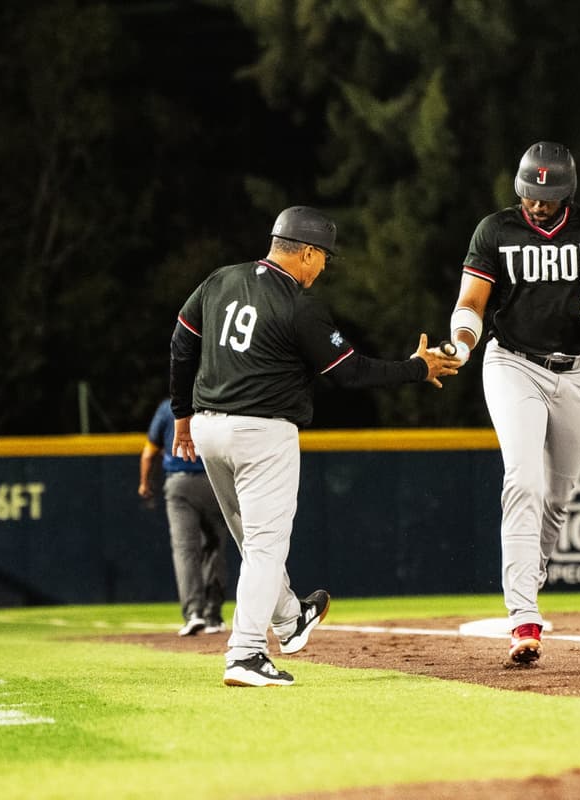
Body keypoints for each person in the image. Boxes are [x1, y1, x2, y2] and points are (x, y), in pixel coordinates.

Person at [170, 205, 461, 687]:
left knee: (250, 540)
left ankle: (290, 618)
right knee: (265, 547)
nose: (324, 266)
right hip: (262, 434)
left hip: (207, 428)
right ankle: (244, 654)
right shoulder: (297, 306)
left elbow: (182, 344)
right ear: (305, 252)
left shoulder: (221, 280)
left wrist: (182, 415)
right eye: (323, 256)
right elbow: (349, 372)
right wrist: (417, 367)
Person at [443, 141, 580, 665]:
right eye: (531, 193)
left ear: (568, 192)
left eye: (549, 195)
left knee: (557, 498)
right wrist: (462, 343)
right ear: (518, 187)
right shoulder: (495, 230)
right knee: (523, 479)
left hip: (579, 372)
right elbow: (471, 301)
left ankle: (529, 578)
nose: (538, 204)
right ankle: (523, 616)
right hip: (512, 363)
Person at [138, 398, 230, 636]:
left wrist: (144, 484)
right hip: (214, 483)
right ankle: (213, 615)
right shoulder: (216, 402)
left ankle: (194, 613)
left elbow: (149, 453)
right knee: (215, 547)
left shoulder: (167, 408)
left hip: (180, 484)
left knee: (185, 550)